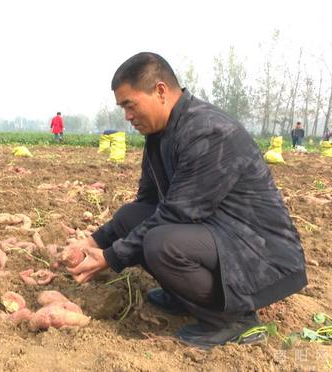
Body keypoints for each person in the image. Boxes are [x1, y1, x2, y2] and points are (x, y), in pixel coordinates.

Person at [67, 52, 307, 349]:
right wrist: (93, 242)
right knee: (132, 217)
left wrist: (111, 257)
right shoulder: (159, 136)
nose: (127, 117)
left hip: (260, 251)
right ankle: (186, 296)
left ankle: (235, 321)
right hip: (220, 233)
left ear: (160, 91)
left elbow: (177, 213)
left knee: (161, 242)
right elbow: (147, 201)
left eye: (130, 105)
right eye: (123, 108)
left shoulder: (207, 131)